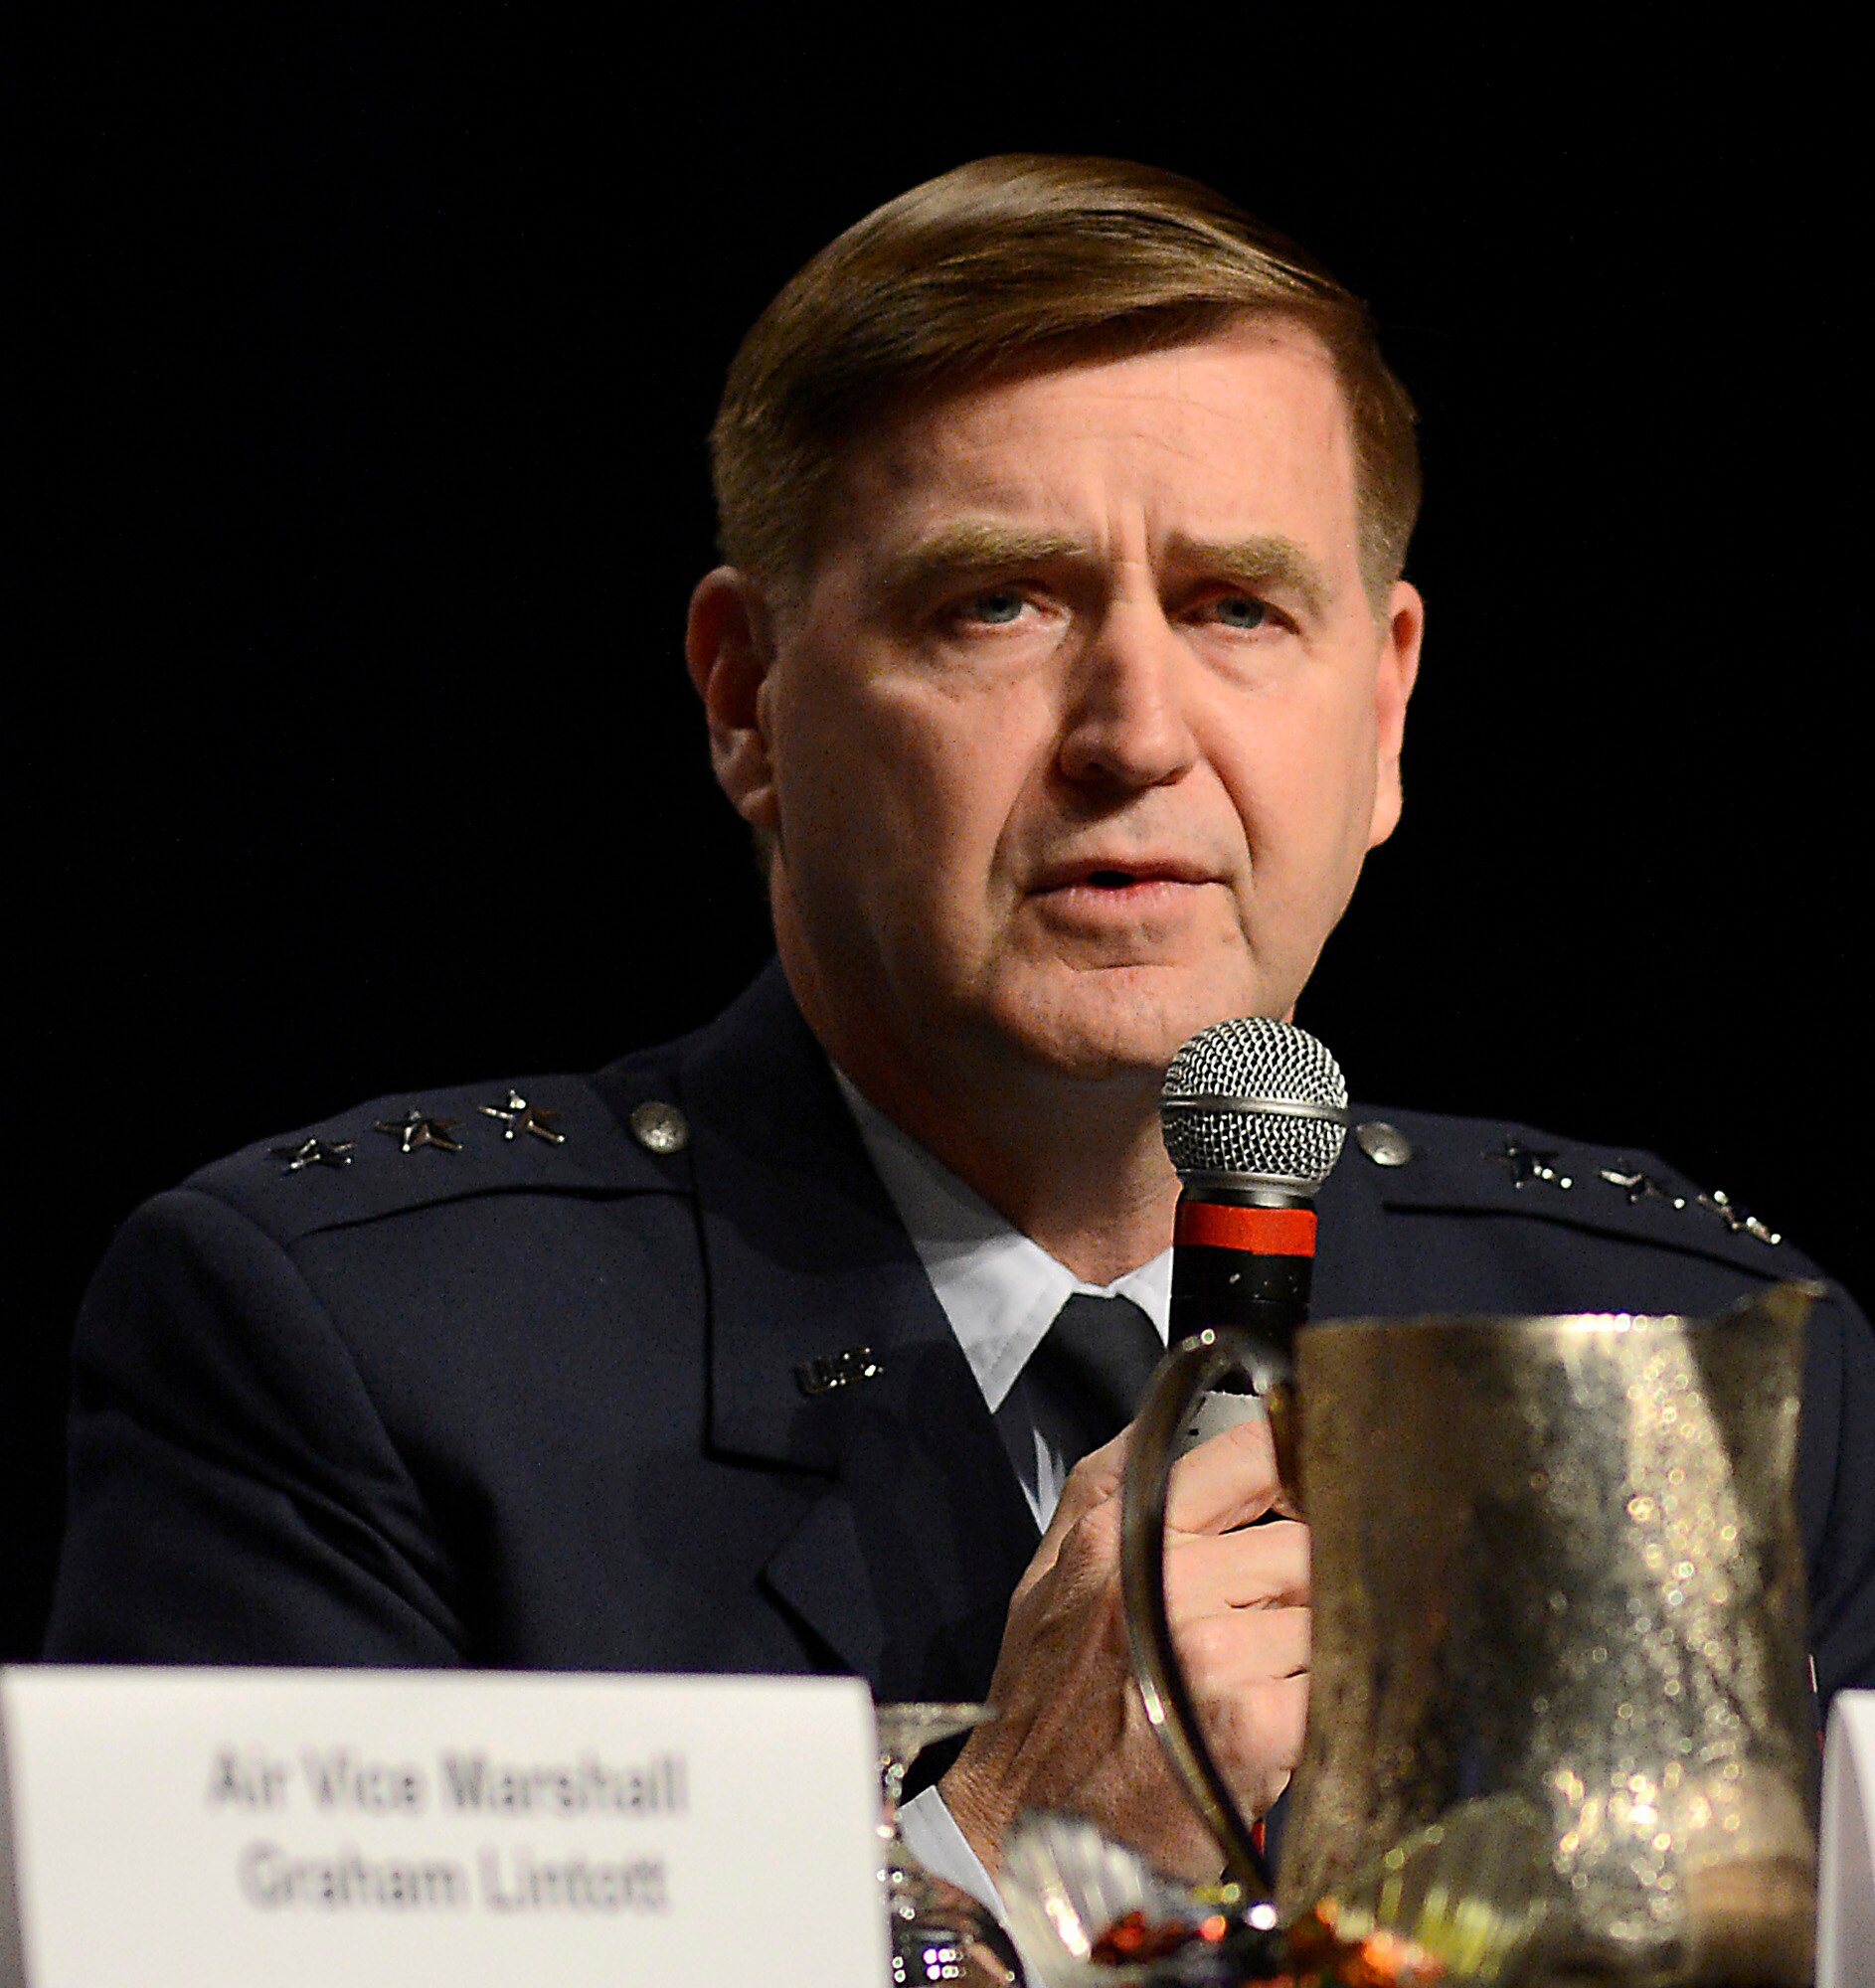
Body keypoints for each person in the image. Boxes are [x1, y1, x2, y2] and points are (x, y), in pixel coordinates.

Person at [45, 157, 1875, 1906]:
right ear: (746, 699)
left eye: (1238, 608)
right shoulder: (360, 1350)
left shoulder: (1685, 1366)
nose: (1134, 734)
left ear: (1384, 708)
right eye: (998, 602)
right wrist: (992, 1869)